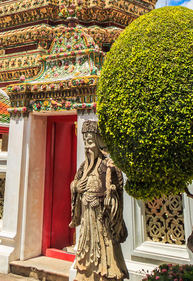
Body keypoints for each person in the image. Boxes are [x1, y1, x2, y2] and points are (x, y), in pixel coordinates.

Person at [70, 120, 128, 281]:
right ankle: (85, 274)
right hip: (87, 216)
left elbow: (117, 190)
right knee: (86, 246)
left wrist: (110, 195)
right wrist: (76, 187)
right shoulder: (83, 167)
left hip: (102, 217)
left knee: (105, 247)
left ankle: (106, 273)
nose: (87, 147)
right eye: (85, 143)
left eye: (90, 142)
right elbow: (74, 184)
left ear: (98, 142)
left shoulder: (108, 166)